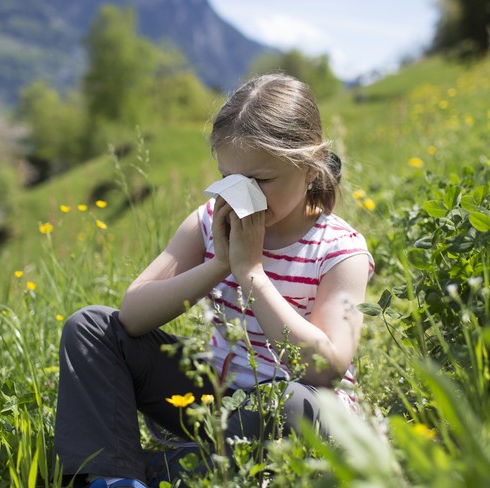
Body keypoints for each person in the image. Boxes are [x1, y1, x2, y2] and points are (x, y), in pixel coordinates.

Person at [53, 73, 374, 488]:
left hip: (294, 410)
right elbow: (132, 316)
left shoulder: (337, 249)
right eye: (229, 178)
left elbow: (325, 370)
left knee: (293, 404)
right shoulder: (208, 222)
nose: (243, 197)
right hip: (213, 399)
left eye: (260, 181)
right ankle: (116, 479)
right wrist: (221, 263)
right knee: (91, 326)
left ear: (310, 168)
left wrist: (252, 274)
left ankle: (168, 472)